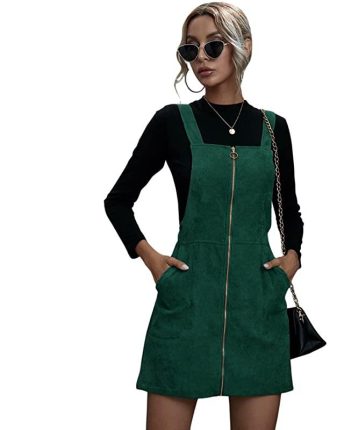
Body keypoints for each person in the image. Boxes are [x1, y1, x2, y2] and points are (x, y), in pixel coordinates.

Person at [104, 2, 304, 429]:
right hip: (187, 304)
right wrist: (154, 262)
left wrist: (291, 260)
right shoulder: (171, 122)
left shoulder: (274, 128)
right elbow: (117, 200)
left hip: (257, 307)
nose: (201, 59)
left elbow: (289, 208)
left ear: (243, 46)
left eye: (213, 46)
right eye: (189, 49)